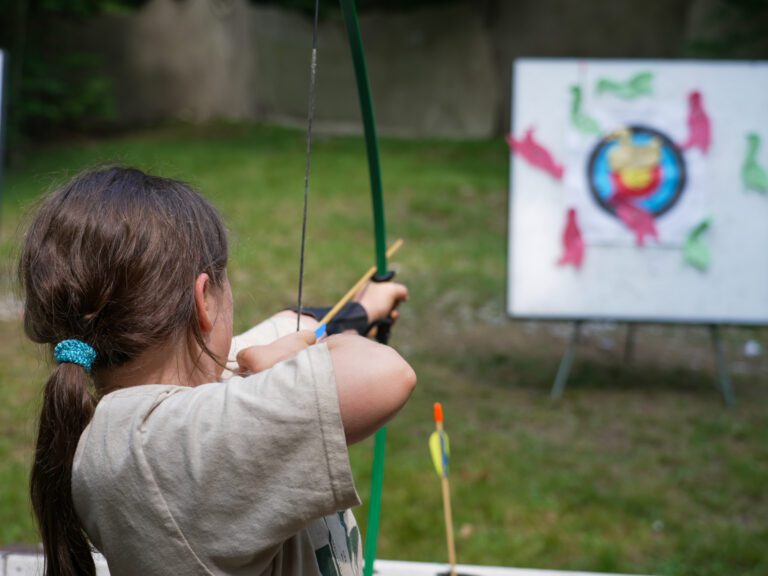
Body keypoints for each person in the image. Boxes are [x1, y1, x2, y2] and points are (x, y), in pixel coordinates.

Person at [19, 166, 416, 576]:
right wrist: (282, 361)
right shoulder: (163, 450)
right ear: (204, 299)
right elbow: (384, 373)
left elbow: (280, 329)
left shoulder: (137, 422)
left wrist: (363, 309)